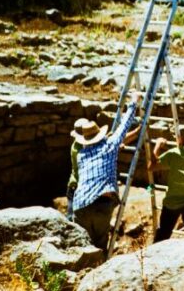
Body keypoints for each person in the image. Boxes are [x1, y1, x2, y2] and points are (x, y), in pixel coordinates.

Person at [72, 92, 143, 251]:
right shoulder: (109, 146)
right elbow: (124, 125)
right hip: (100, 204)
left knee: (82, 246)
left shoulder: (81, 155)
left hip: (79, 205)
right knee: (99, 246)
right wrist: (133, 102)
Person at [67, 117, 141, 221]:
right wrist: (116, 148)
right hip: (78, 189)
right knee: (73, 223)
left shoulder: (84, 146)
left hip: (78, 188)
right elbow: (109, 147)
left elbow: (110, 144)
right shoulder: (80, 150)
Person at [148, 126, 184, 242]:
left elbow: (151, 167)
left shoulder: (174, 154)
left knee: (163, 236)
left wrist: (158, 145)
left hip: (172, 202)